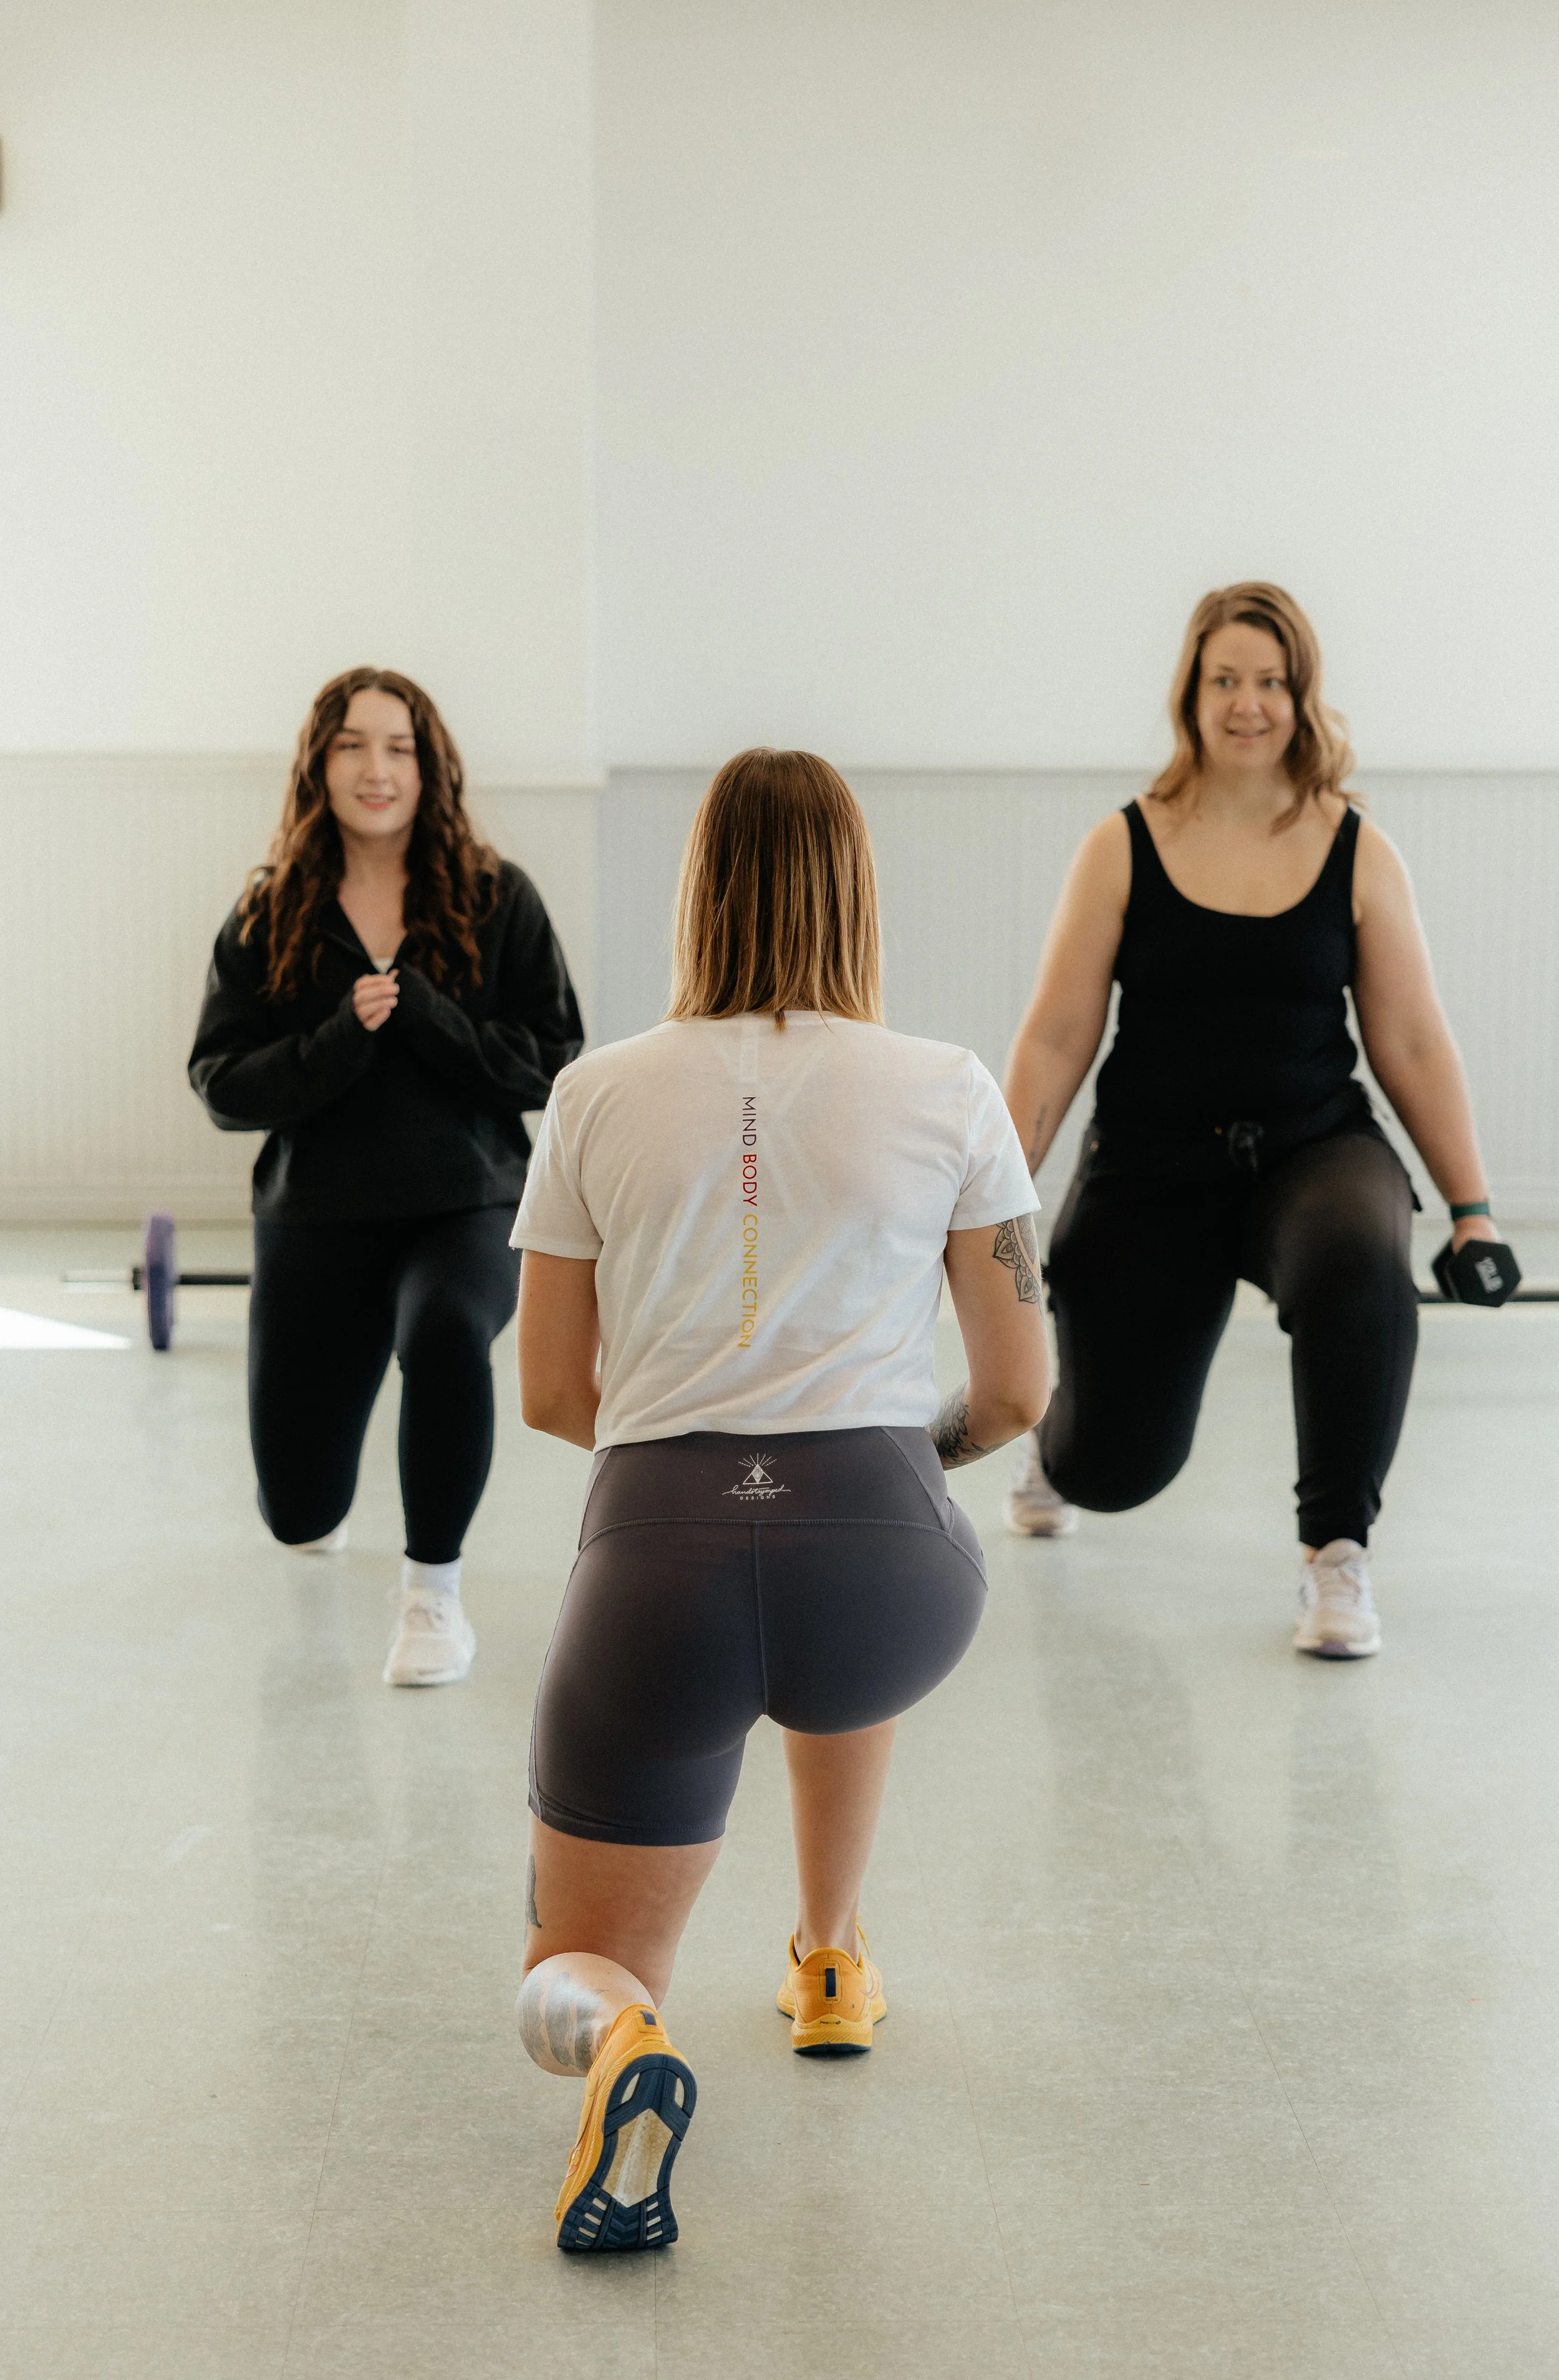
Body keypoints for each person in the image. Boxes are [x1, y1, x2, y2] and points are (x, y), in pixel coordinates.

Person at [509, 748, 1047, 2252]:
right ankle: (827, 1961)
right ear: (859, 892)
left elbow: (555, 1393)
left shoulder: (594, 1093)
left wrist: (710, 1469)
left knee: (572, 1966)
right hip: (886, 1560)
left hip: (659, 1561)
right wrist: (866, 1470)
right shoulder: (946, 1086)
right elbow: (1014, 1394)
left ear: (694, 892)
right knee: (825, 1637)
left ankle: (627, 2048)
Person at [1001, 582, 1505, 1658]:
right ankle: (1056, 1446)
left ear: (1302, 697)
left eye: (1271, 682)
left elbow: (1412, 1041)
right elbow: (1055, 1039)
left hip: (1312, 1146)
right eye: (1226, 679)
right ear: (1191, 692)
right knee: (1113, 1472)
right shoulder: (1122, 846)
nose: (1249, 704)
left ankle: (1337, 1556)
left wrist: (1473, 1212)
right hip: (1150, 1164)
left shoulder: (1356, 846)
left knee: (1362, 1259)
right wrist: (989, 1200)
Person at [189, 666, 582, 1685]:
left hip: (468, 1201)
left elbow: (555, 1058)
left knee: (447, 1334)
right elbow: (222, 1082)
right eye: (353, 745)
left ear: (430, 765)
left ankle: (432, 1597)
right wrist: (336, 1042)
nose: (376, 769)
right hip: (318, 1217)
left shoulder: (497, 898)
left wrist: (432, 1019)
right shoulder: (271, 912)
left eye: (398, 747)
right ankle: (324, 1513)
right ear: (320, 765)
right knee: (300, 1514)